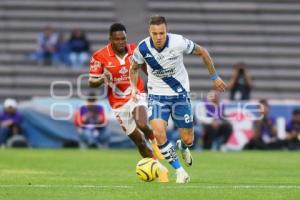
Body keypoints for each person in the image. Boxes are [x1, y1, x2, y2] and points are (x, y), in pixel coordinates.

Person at [130, 15, 226, 183]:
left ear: (167, 30)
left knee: (188, 139)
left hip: (180, 95)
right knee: (159, 133)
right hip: (157, 96)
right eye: (155, 33)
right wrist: (133, 88)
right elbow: (134, 68)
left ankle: (182, 146)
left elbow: (202, 51)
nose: (159, 37)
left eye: (162, 33)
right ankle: (179, 171)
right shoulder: (142, 48)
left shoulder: (178, 42)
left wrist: (214, 77)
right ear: (149, 32)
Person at [88, 23, 168, 182]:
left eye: (123, 38)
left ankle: (154, 141)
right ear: (110, 39)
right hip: (117, 103)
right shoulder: (100, 56)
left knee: (142, 123)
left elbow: (145, 67)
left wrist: (156, 80)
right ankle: (159, 168)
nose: (120, 42)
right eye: (117, 39)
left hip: (136, 93)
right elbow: (91, 81)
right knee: (138, 141)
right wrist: (102, 79)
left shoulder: (134, 50)